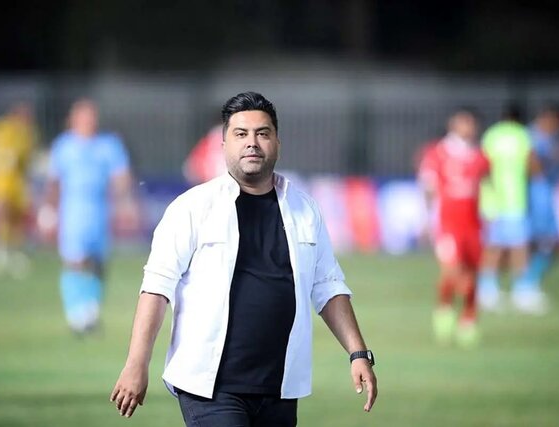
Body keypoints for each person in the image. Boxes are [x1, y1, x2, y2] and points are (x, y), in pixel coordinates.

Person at [110, 92, 378, 426]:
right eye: (241, 134)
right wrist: (136, 363)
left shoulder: (305, 209)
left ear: (277, 143)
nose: (252, 142)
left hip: (280, 388)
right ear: (223, 144)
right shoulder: (191, 208)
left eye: (262, 133)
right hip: (210, 388)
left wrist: (358, 353)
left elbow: (328, 286)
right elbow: (156, 287)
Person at [41, 99, 136, 335]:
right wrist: (49, 210)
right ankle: (75, 312)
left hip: (100, 209)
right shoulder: (63, 146)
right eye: (84, 116)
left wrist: (126, 204)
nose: (89, 121)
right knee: (74, 260)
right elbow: (54, 181)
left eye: (92, 116)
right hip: (73, 209)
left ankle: (91, 310)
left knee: (97, 262)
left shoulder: (109, 145)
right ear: (73, 119)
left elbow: (121, 177)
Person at [417, 109, 489, 348]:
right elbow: (428, 187)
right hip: (447, 224)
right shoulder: (437, 153)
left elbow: (487, 187)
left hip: (473, 225)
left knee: (472, 273)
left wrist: (491, 215)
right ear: (453, 124)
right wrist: (426, 218)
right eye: (463, 122)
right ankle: (444, 307)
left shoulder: (480, 156)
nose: (468, 127)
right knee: (452, 270)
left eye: (471, 123)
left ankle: (469, 318)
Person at [477, 105, 542, 314]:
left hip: (491, 200)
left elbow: (481, 166)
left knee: (493, 247)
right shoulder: (523, 135)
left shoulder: (491, 135)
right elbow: (533, 166)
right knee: (518, 247)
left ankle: (487, 290)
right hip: (515, 199)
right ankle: (522, 290)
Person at [0, 102, 37, 278]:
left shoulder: (27, 133)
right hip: (1, 180)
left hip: (18, 182)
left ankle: (15, 252)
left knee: (17, 218)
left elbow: (27, 160)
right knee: (0, 213)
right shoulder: (0, 129)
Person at [523, 104, 559, 305]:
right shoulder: (530, 137)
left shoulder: (555, 138)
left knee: (554, 245)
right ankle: (523, 285)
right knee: (536, 243)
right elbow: (533, 167)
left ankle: (529, 282)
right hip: (534, 198)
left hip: (548, 197)